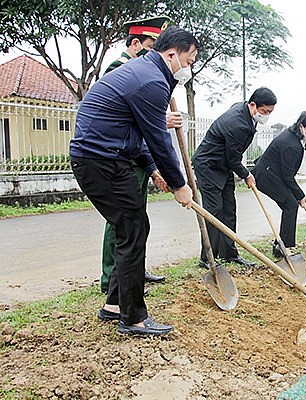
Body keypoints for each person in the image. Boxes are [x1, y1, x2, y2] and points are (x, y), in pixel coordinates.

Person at [70, 26, 198, 336]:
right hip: (101, 161)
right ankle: (134, 317)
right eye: (189, 60)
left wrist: (154, 170)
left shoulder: (145, 73)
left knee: (131, 228)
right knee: (133, 228)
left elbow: (136, 134)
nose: (190, 68)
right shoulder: (151, 82)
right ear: (171, 55)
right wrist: (180, 184)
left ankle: (115, 304)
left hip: (103, 158)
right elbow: (157, 138)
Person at [99, 16, 175, 293]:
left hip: (138, 158)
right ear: (135, 44)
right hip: (119, 160)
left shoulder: (151, 76)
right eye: (152, 45)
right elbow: (126, 121)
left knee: (138, 220)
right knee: (122, 223)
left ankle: (135, 271)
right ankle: (112, 277)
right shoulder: (119, 70)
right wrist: (161, 122)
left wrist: (154, 168)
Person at [192, 87, 277, 268]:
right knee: (214, 210)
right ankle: (207, 258)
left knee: (229, 210)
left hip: (223, 166)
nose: (267, 115)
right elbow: (233, 158)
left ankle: (229, 254)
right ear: (253, 105)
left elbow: (230, 159)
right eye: (265, 111)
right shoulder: (237, 124)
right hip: (208, 166)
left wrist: (244, 173)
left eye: (270, 112)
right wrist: (247, 175)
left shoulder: (244, 111)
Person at [252, 111, 306, 257]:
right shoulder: (291, 145)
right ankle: (283, 247)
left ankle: (282, 245)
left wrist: (296, 194)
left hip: (273, 173)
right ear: (301, 126)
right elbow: (288, 176)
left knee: (290, 205)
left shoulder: (294, 137)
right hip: (266, 176)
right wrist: (300, 195)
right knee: (291, 205)